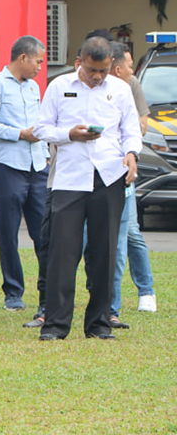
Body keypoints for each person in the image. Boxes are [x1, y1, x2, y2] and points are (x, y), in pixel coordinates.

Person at [33, 36, 141, 341]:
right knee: (62, 253)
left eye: (104, 71)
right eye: (93, 70)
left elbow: (131, 130)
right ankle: (55, 325)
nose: (97, 77)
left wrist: (131, 154)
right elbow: (41, 128)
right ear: (80, 61)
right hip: (70, 178)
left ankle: (99, 324)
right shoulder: (59, 86)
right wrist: (69, 134)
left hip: (108, 176)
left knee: (105, 252)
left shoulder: (120, 90)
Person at [0, 35, 49, 313]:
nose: (40, 67)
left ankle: (48, 290)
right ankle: (13, 292)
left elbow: (40, 122)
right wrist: (19, 134)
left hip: (37, 167)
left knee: (44, 233)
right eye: (38, 61)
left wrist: (43, 152)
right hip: (9, 167)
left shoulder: (33, 88)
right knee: (9, 234)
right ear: (23, 58)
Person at [107, 42, 157, 324]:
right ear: (116, 67)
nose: (131, 70)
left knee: (130, 234)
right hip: (100, 174)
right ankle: (106, 301)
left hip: (125, 168)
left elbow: (141, 125)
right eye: (127, 65)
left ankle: (145, 291)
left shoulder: (131, 85)